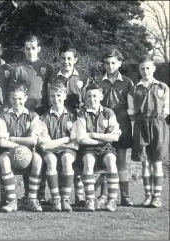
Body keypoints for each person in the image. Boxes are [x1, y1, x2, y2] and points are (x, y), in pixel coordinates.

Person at [13, 34, 53, 205]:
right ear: (24, 49)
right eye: (27, 48)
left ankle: (41, 193)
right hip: (25, 114)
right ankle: (29, 193)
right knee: (28, 151)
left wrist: (47, 112)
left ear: (39, 49)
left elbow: (52, 92)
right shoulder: (19, 69)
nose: (30, 51)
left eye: (33, 48)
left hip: (42, 113)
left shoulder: (47, 68)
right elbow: (13, 93)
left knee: (42, 152)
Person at [128, 56, 169, 208]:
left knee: (156, 162)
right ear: (139, 70)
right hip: (141, 125)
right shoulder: (134, 88)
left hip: (158, 125)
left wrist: (156, 118)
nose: (145, 71)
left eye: (148, 68)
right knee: (144, 163)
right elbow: (131, 110)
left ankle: (156, 197)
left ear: (154, 69)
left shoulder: (162, 87)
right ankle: (147, 196)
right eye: (142, 68)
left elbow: (166, 110)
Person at [95, 48, 134, 207]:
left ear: (119, 63)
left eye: (113, 63)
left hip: (123, 124)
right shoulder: (98, 81)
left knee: (121, 161)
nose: (110, 66)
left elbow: (132, 106)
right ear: (103, 64)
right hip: (105, 125)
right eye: (107, 63)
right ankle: (104, 195)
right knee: (106, 160)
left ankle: (125, 195)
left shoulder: (127, 81)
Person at [49, 46, 88, 206]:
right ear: (60, 59)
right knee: (60, 158)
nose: (66, 62)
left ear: (75, 60)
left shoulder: (83, 77)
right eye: (63, 58)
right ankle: (58, 196)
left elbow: (86, 101)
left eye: (69, 58)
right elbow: (50, 96)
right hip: (58, 119)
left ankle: (79, 196)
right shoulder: (54, 77)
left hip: (76, 120)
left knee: (77, 159)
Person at [0, 83, 43, 213]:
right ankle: (12, 201)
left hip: (29, 151)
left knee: (38, 160)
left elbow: (33, 140)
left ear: (26, 98)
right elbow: (2, 142)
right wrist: (20, 146)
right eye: (13, 98)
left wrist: (11, 139)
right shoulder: (3, 116)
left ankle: (32, 200)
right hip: (8, 152)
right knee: (4, 161)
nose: (17, 102)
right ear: (9, 99)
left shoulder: (33, 116)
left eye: (20, 98)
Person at [76, 82, 121, 212]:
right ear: (85, 98)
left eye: (95, 96)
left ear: (101, 97)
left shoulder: (109, 113)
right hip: (88, 149)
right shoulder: (82, 114)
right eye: (89, 96)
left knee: (111, 161)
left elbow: (115, 137)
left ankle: (111, 200)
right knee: (88, 162)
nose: (92, 99)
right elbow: (81, 139)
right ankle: (90, 199)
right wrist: (103, 139)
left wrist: (93, 134)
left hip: (106, 149)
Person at [37, 83, 79, 212]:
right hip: (50, 151)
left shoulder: (74, 116)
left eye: (59, 95)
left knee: (66, 159)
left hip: (68, 150)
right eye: (53, 96)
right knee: (51, 161)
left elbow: (76, 144)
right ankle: (56, 200)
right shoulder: (43, 118)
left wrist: (55, 142)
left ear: (65, 95)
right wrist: (65, 139)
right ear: (49, 98)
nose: (56, 99)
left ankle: (65, 199)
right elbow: (44, 145)